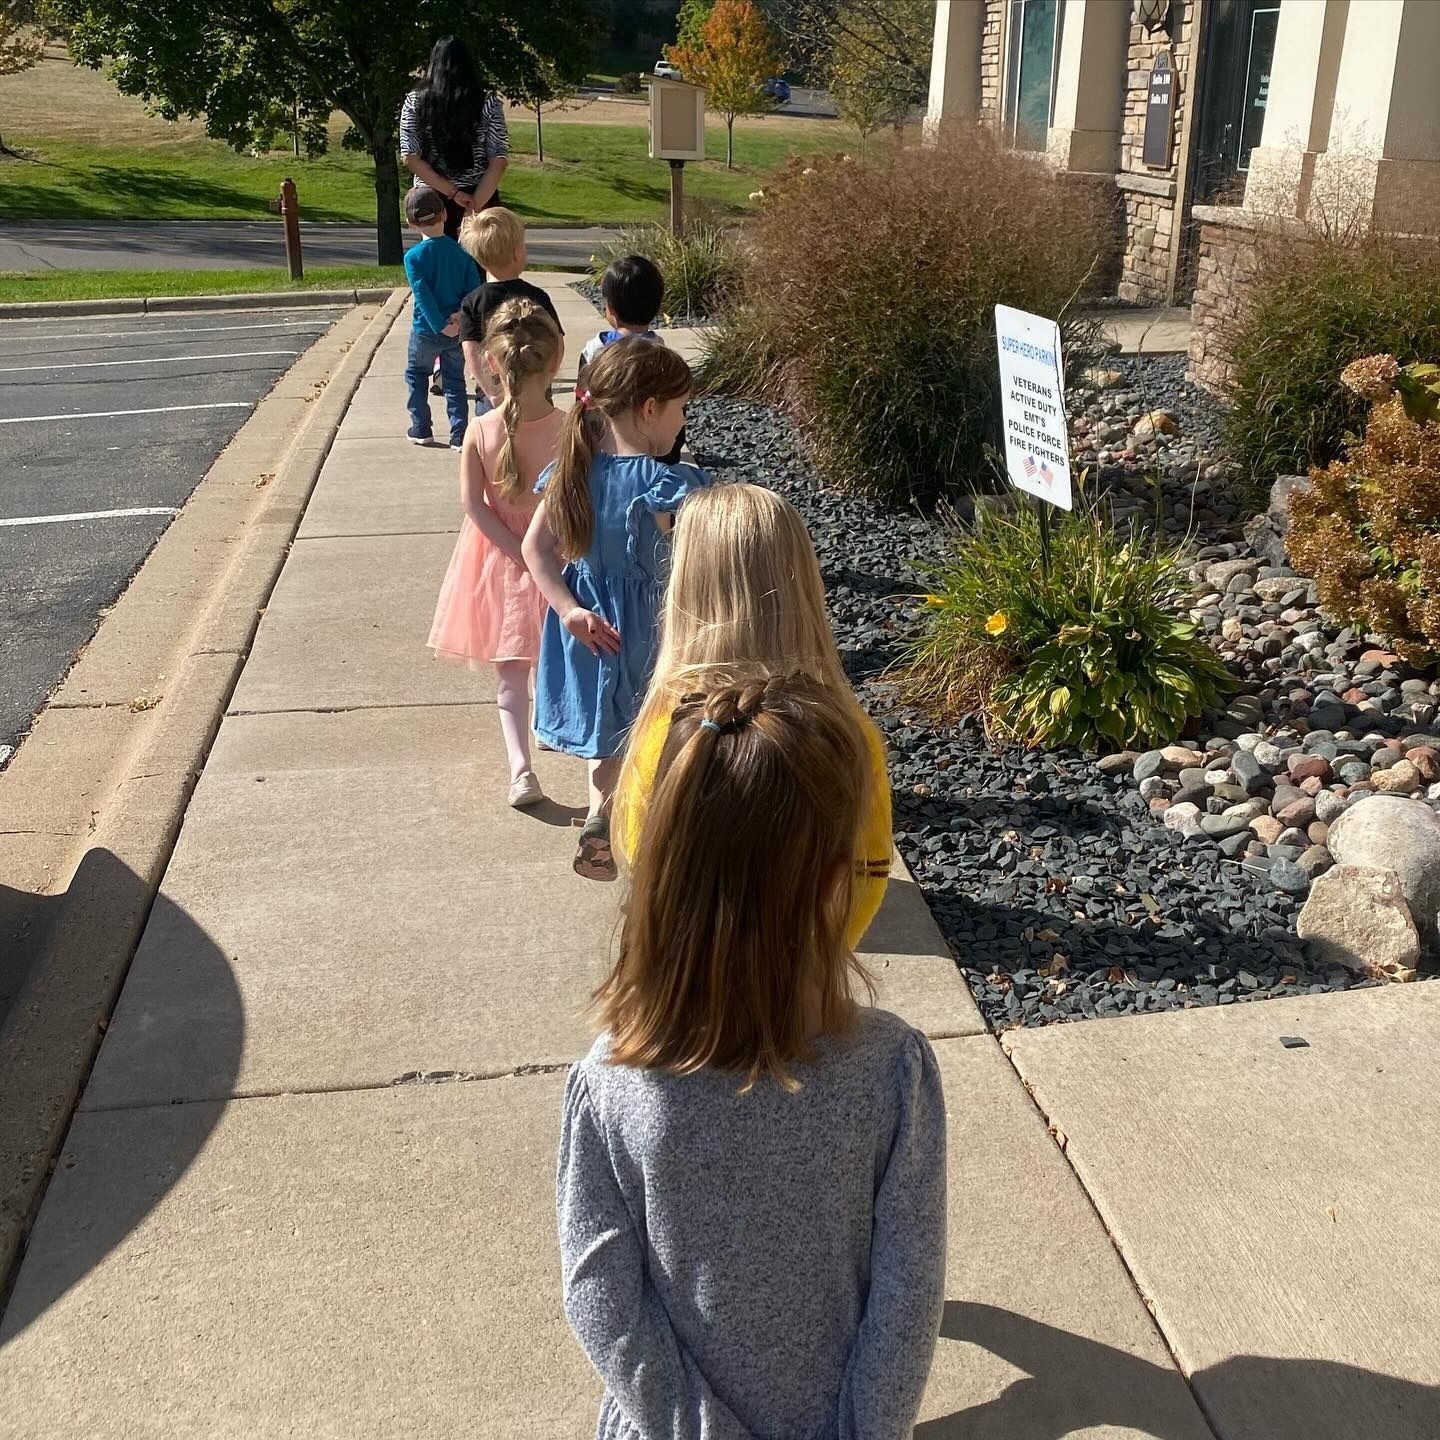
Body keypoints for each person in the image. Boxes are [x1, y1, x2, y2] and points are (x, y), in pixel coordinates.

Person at [557, 674, 947, 1440]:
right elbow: (909, 1293)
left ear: (661, 872)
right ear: (835, 885)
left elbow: (601, 1295)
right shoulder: (891, 1072)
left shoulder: (606, 1082)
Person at [614, 483, 893, 947]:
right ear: (803, 580)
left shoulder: (666, 730)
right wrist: (819, 958)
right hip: (805, 986)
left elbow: (641, 853)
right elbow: (868, 871)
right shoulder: (847, 731)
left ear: (685, 588)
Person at [520, 337, 703, 881]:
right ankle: (654, 833)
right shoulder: (668, 485)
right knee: (660, 731)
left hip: (590, 630)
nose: (683, 418)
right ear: (650, 410)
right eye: (681, 407)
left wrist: (569, 610)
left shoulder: (574, 472)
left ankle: (602, 816)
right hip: (651, 632)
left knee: (610, 733)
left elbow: (536, 549)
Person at [428, 300, 565, 807]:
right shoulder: (573, 428)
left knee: (512, 668)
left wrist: (515, 552)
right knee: (561, 653)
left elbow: (474, 506)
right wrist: (544, 554)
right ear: (556, 359)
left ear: (491, 363)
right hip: (559, 555)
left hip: (500, 558)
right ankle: (559, 732)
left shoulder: (479, 430)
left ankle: (521, 768)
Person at [577, 254, 686, 466]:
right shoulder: (662, 356)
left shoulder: (595, 351)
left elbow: (581, 403)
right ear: (656, 307)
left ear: (610, 309)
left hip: (603, 451)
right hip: (653, 457)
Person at [400, 36, 509, 244]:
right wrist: (474, 205)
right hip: (480, 192)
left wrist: (453, 193)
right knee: (483, 265)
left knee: (438, 265)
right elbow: (499, 160)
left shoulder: (415, 101)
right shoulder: (488, 103)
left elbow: (410, 157)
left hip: (431, 198)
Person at [457, 207, 564, 412]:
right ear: (517, 254)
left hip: (493, 394)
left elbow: (471, 352)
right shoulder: (537, 297)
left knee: (491, 441)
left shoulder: (472, 302)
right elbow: (557, 342)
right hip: (537, 391)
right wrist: (546, 380)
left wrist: (492, 393)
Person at [401, 185, 478, 449]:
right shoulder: (463, 254)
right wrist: (458, 319)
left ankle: (421, 427)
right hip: (458, 328)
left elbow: (422, 294)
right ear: (445, 214)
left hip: (426, 329)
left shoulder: (413, 257)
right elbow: (472, 291)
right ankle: (459, 434)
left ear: (411, 223)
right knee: (455, 380)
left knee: (416, 374)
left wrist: (439, 324)